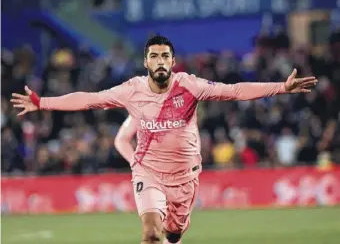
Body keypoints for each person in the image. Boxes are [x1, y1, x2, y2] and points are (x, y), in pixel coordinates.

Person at [11, 35, 318, 244]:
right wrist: (42, 102)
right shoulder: (131, 90)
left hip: (185, 177)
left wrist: (282, 87)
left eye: (165, 56)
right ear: (146, 62)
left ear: (173, 62)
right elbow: (88, 98)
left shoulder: (191, 86)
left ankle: (175, 231)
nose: (160, 61)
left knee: (173, 234)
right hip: (148, 173)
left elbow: (235, 90)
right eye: (154, 56)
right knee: (149, 234)